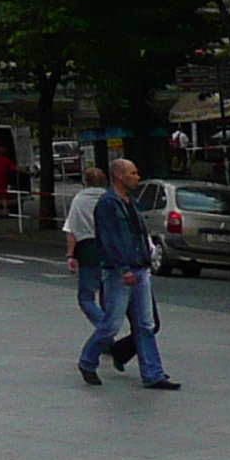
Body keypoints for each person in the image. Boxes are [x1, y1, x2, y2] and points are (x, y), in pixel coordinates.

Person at [80, 159, 179, 392]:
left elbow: (137, 235)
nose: (137, 177)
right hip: (120, 272)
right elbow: (110, 239)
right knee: (111, 325)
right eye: (133, 173)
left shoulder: (130, 202)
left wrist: (147, 260)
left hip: (140, 269)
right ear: (119, 176)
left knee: (145, 324)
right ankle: (87, 361)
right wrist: (123, 268)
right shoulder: (108, 204)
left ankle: (153, 374)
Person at [63, 164, 137, 372]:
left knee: (86, 297)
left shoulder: (79, 200)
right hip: (110, 252)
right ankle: (107, 328)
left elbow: (72, 230)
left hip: (87, 251)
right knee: (107, 292)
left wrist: (71, 255)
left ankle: (105, 328)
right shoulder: (110, 198)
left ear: (85, 182)